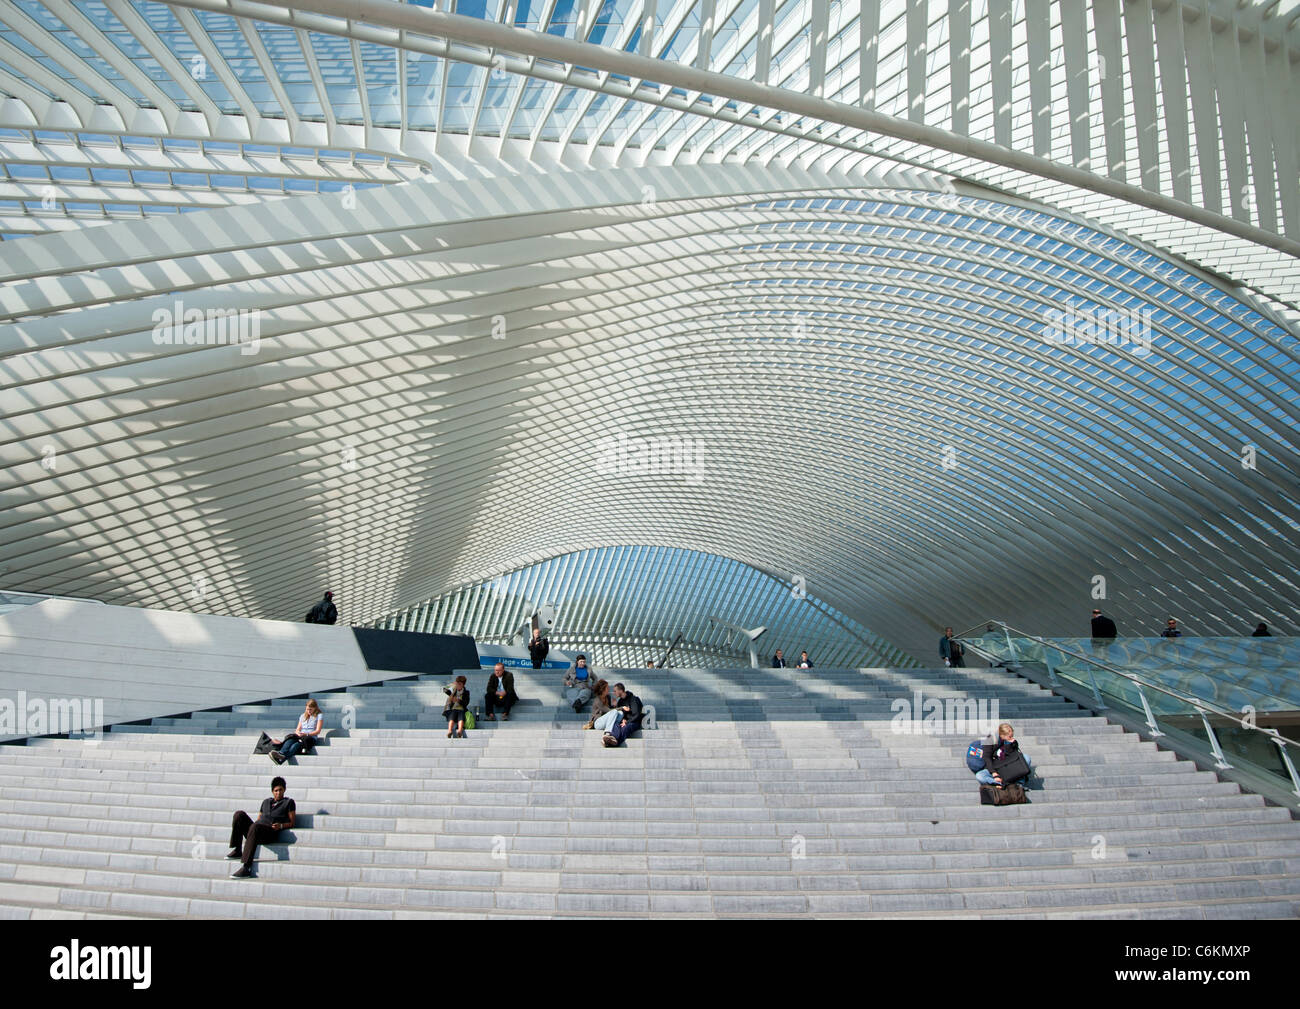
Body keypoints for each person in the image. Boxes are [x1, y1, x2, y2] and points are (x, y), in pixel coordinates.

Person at [228, 776, 295, 878]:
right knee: (239, 814)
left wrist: (281, 825)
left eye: (280, 790)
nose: (278, 793)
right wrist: (253, 827)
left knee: (255, 827)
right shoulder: (266, 802)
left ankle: (247, 867)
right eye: (276, 790)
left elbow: (292, 823)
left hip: (270, 832)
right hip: (257, 829)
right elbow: (259, 818)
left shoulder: (289, 802)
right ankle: (237, 850)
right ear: (272, 791)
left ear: (284, 790)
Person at [974, 722, 1033, 789]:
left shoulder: (1011, 741)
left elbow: (1014, 756)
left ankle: (1017, 783)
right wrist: (993, 773)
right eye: (1010, 736)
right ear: (1002, 735)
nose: (1012, 738)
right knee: (980, 776)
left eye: (1012, 736)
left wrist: (1010, 745)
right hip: (996, 767)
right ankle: (1000, 784)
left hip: (1009, 766)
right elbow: (987, 757)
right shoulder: (990, 739)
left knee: (1026, 758)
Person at [269, 699, 324, 764]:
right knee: (290, 739)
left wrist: (306, 734)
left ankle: (282, 758)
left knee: (296, 745)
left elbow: (317, 731)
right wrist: (298, 733)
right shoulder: (303, 716)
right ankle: (281, 753)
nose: (308, 711)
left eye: (310, 709)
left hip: (309, 737)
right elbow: (298, 729)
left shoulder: (319, 715)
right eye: (307, 709)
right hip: (301, 735)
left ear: (315, 708)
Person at [602, 682, 644, 747]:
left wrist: (626, 722)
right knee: (615, 723)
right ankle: (612, 739)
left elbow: (636, 714)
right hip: (625, 721)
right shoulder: (620, 701)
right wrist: (614, 706)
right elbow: (620, 714)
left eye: (615, 691)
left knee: (625, 728)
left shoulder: (633, 699)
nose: (614, 693)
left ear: (621, 690)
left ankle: (614, 742)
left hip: (634, 722)